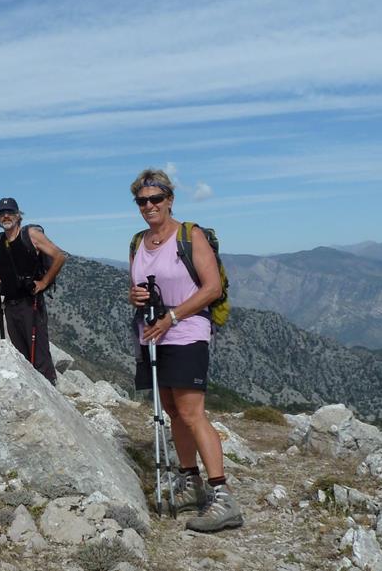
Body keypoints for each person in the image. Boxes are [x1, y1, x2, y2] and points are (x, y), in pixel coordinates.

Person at [127, 169, 243, 532]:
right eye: (142, 201)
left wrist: (173, 317)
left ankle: (223, 496)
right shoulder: (138, 242)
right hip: (152, 334)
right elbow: (137, 286)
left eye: (156, 199)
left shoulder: (190, 236)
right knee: (174, 411)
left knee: (192, 414)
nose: (149, 206)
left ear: (170, 200)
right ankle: (191, 480)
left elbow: (211, 289)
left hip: (187, 332)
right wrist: (135, 296)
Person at [0, 197, 65, 385]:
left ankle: (49, 389)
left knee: (39, 354)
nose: (6, 216)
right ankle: (30, 389)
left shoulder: (31, 235)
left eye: (10, 212)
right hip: (10, 305)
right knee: (21, 354)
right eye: (2, 213)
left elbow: (59, 256)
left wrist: (44, 282)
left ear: (18, 215)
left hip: (31, 304)